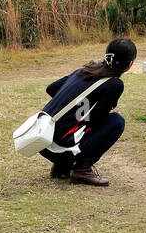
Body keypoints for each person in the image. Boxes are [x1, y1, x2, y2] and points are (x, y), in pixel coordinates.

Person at [38, 38, 136, 187]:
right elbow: (96, 120)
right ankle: (82, 169)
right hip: (60, 148)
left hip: (42, 140)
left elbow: (51, 88)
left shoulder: (84, 70)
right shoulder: (114, 84)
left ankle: (62, 167)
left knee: (77, 125)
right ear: (129, 65)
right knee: (117, 121)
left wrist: (73, 108)